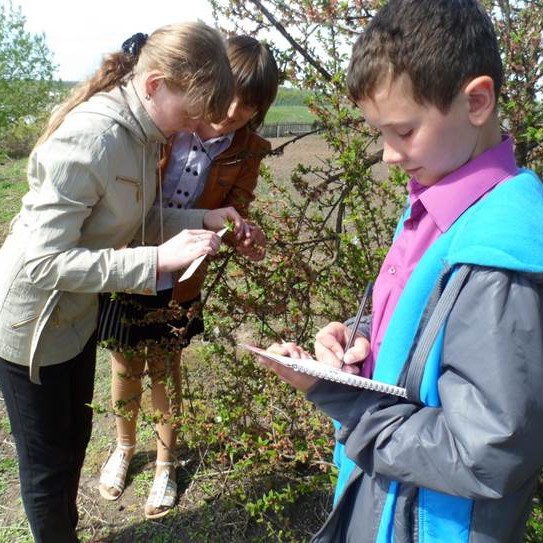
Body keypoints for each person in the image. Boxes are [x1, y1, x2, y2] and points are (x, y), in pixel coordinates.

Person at [256, 1, 543, 541]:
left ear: (476, 101)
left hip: (428, 523)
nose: (389, 155)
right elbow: (426, 333)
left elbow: (484, 452)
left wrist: (340, 397)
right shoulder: (435, 208)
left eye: (403, 131)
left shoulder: (498, 257)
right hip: (387, 499)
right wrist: (359, 339)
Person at [0, 22, 252, 543]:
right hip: (31, 328)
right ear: (155, 83)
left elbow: (132, 217)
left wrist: (202, 219)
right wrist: (155, 261)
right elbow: (41, 263)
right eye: (190, 113)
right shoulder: (94, 138)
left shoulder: (143, 134)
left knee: (74, 439)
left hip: (72, 315)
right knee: (48, 466)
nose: (192, 128)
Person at [97, 35, 279, 519]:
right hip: (129, 263)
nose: (233, 111)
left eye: (249, 106)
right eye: (230, 95)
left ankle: (164, 463)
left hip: (180, 280)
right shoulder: (168, 124)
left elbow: (233, 212)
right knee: (123, 363)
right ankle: (122, 446)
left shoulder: (248, 150)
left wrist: (240, 234)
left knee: (166, 368)